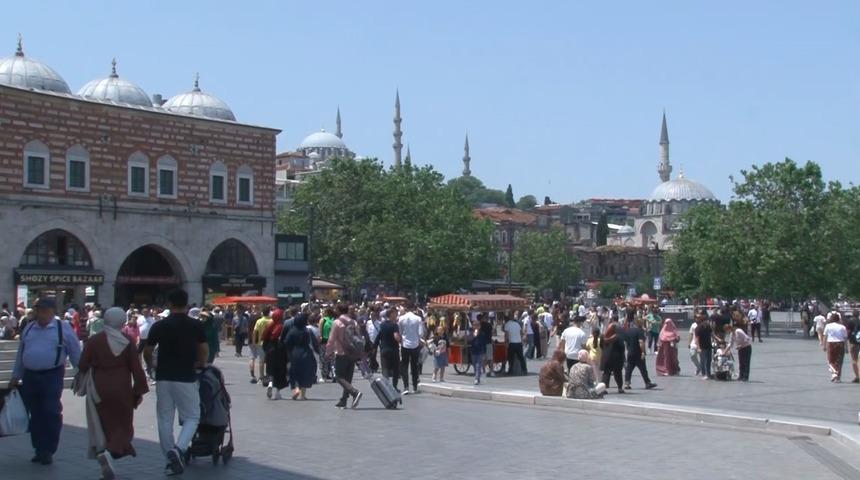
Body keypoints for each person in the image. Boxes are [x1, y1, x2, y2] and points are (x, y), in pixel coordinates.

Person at [8, 296, 82, 465]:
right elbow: (21, 353)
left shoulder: (62, 328)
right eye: (38, 310)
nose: (40, 314)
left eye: (44, 311)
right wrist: (16, 375)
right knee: (35, 414)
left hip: (51, 375)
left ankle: (48, 449)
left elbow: (75, 353)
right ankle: (39, 448)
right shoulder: (29, 328)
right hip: (30, 376)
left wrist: (81, 374)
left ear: (52, 312)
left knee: (50, 411)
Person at [78, 307, 149, 480]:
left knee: (103, 422)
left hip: (99, 385)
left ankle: (104, 453)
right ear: (121, 321)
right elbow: (136, 368)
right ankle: (110, 452)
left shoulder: (95, 340)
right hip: (121, 386)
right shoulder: (126, 340)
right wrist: (138, 390)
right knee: (122, 424)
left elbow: (82, 364)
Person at [143, 288, 208, 476]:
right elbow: (204, 349)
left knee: (164, 419)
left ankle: (170, 461)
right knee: (192, 416)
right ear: (186, 304)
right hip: (186, 376)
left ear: (169, 304)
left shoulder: (159, 325)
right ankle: (179, 449)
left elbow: (147, 350)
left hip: (163, 376)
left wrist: (151, 365)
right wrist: (201, 363)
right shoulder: (195, 325)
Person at [328, 304, 363, 409]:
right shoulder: (353, 322)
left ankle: (355, 392)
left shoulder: (337, 322)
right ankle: (343, 400)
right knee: (348, 378)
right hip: (352, 353)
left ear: (338, 310)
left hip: (341, 352)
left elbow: (331, 339)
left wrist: (328, 352)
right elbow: (359, 337)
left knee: (338, 376)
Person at [283, 310, 319, 400]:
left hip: (295, 353)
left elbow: (286, 342)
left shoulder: (292, 331)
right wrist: (318, 352)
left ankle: (296, 389)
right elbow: (314, 343)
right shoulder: (307, 331)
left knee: (294, 372)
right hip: (306, 352)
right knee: (305, 373)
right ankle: (303, 395)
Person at [623, 312, 657, 390]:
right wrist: (643, 352)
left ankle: (627, 383)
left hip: (630, 353)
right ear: (639, 323)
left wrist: (628, 349)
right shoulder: (639, 331)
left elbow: (626, 342)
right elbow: (641, 342)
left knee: (629, 369)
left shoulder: (628, 331)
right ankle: (647, 383)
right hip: (638, 353)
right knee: (643, 369)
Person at [398, 303, 425, 394]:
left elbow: (400, 332)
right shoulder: (418, 319)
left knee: (404, 366)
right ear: (414, 309)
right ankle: (415, 387)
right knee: (414, 366)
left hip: (405, 344)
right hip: (415, 344)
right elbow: (420, 333)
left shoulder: (401, 318)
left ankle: (406, 387)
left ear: (406, 308)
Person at [263, 308, 288, 400]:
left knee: (270, 369)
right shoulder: (283, 326)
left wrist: (266, 349)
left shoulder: (270, 325)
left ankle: (270, 383)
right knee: (280, 371)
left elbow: (264, 337)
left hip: (270, 349)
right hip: (280, 350)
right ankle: (277, 392)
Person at [374, 308, 401, 390]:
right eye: (395, 313)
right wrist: (400, 340)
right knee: (396, 369)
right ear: (391, 314)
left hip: (384, 349)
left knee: (385, 368)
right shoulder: (394, 325)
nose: (396, 315)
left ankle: (386, 386)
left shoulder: (382, 325)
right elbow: (396, 337)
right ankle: (394, 386)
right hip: (393, 350)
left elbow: (378, 337)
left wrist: (374, 347)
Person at [600, 315, 625, 394]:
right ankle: (620, 388)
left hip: (606, 357)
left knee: (606, 373)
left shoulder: (603, 337)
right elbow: (622, 347)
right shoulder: (618, 337)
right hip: (616, 357)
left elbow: (601, 346)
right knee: (618, 373)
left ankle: (603, 389)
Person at [823, 312, 848, 383]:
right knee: (839, 361)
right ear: (838, 319)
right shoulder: (842, 327)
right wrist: (846, 347)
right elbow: (845, 338)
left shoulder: (828, 326)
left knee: (831, 360)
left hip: (831, 343)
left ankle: (834, 374)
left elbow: (825, 336)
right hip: (840, 343)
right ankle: (838, 377)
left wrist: (824, 345)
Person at [695, 310, 714, 379]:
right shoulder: (698, 328)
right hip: (702, 346)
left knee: (708, 361)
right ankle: (704, 374)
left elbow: (712, 334)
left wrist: (718, 339)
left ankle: (708, 374)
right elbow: (697, 338)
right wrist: (698, 347)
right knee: (703, 360)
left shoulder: (708, 326)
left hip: (708, 345)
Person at [469, 318, 487, 385]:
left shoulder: (482, 334)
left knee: (478, 365)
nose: (476, 326)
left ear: (479, 326)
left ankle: (476, 379)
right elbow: (470, 341)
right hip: (473, 351)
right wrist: (474, 336)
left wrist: (484, 353)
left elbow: (484, 343)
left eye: (477, 325)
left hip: (480, 351)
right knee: (474, 365)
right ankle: (477, 377)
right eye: (474, 325)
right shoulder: (471, 333)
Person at [847, 311, 860, 383]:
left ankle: (857, 376)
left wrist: (847, 340)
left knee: (854, 359)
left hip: (853, 342)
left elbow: (848, 332)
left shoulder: (850, 321)